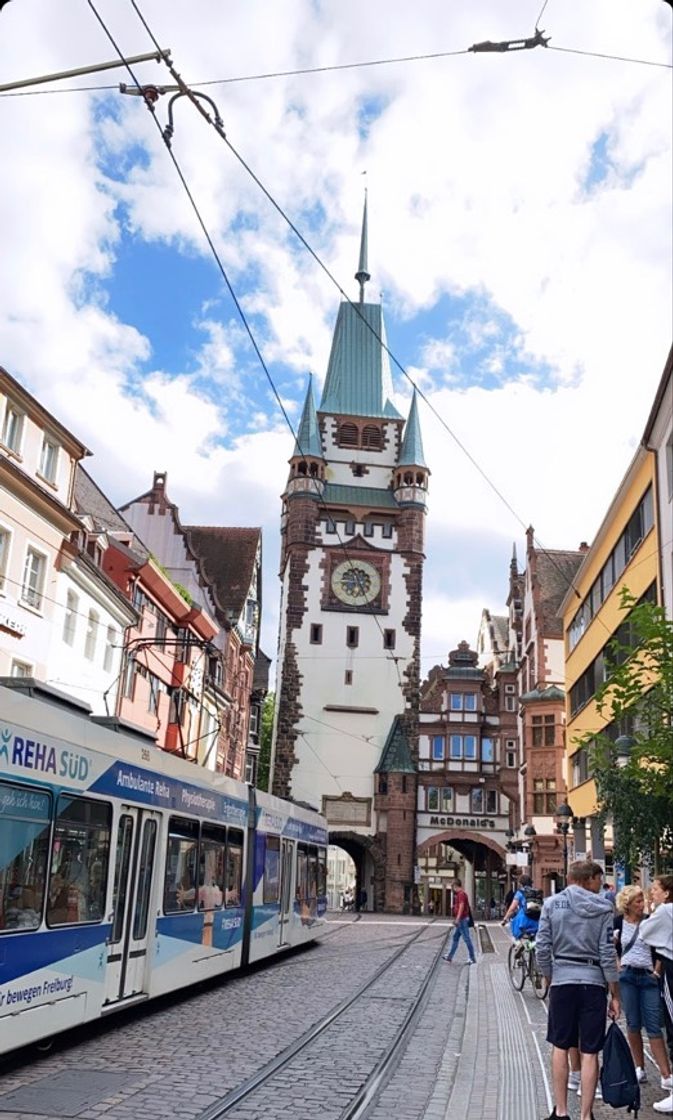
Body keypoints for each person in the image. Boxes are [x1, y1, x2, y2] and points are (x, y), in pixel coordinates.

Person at [535, 859, 620, 1120]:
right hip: (593, 983)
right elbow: (607, 953)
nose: (600, 884)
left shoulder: (551, 904)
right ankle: (585, 1115)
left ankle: (561, 1112)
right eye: (598, 878)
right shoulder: (604, 909)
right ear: (588, 879)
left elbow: (541, 947)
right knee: (590, 1050)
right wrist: (614, 992)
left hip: (562, 980)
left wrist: (549, 977)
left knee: (560, 1045)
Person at [614, 885, 671, 1092]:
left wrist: (656, 971)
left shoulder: (650, 921)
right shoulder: (618, 922)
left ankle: (666, 1073)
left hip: (648, 977)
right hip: (628, 976)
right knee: (633, 1023)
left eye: (642, 901)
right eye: (637, 901)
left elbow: (662, 946)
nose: (642, 905)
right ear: (627, 905)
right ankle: (639, 1067)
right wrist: (618, 965)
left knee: (654, 1024)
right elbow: (612, 946)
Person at [639, 874, 673, 1114]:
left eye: (655, 889)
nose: (652, 893)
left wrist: (651, 910)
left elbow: (644, 932)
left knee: (671, 1026)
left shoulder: (665, 911)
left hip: (671, 967)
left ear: (667, 892)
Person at [500, 873, 540, 949]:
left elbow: (512, 908)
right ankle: (531, 947)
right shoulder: (536, 892)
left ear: (521, 884)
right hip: (536, 921)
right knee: (531, 936)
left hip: (523, 920)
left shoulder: (520, 893)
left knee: (513, 927)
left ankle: (519, 944)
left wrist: (505, 919)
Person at [442, 878, 476, 965]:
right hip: (462, 919)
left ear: (455, 885)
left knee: (466, 938)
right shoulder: (462, 894)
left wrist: (457, 919)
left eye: (452, 886)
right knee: (455, 937)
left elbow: (461, 906)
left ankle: (472, 958)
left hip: (462, 920)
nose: (452, 888)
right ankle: (449, 956)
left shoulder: (461, 894)